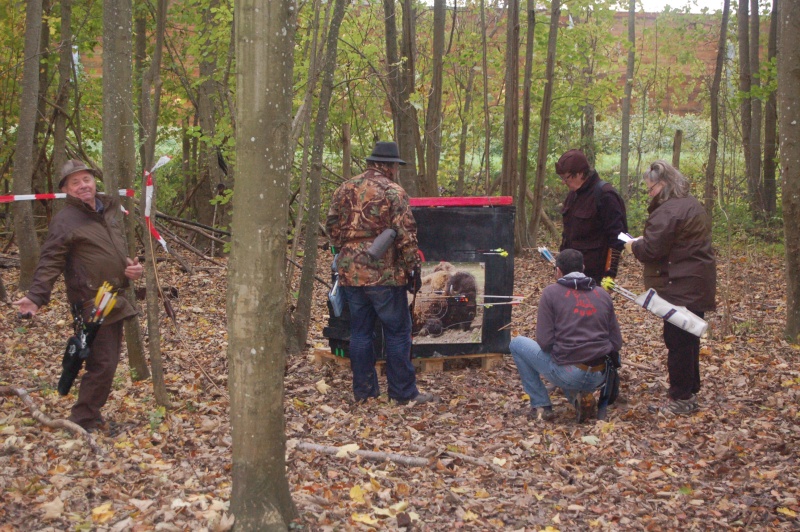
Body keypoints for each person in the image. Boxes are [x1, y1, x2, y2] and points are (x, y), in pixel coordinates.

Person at [13, 159, 143, 432]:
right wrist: (36, 297)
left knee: (104, 362)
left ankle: (89, 416)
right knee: (103, 363)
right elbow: (50, 260)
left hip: (115, 297)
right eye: (75, 182)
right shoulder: (66, 220)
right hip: (92, 301)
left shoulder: (107, 210)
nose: (83, 185)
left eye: (86, 179)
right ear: (67, 190)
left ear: (94, 181)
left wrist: (130, 269)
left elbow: (114, 252)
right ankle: (82, 421)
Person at [325, 141, 436, 405]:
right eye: (395, 166)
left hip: (351, 271)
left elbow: (331, 228)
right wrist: (412, 267)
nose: (396, 170)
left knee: (360, 332)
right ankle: (403, 393)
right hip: (384, 273)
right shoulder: (393, 191)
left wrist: (350, 249)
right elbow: (406, 234)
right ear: (388, 166)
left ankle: (364, 393)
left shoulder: (344, 188)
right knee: (397, 331)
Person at [627, 160, 716, 415]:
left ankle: (681, 396)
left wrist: (634, 246)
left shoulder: (669, 211)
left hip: (679, 283)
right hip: (695, 281)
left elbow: (653, 250)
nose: (650, 193)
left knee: (678, 340)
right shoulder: (691, 204)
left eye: (651, 189)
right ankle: (689, 389)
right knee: (689, 337)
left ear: (663, 185)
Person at [510, 249, 622, 423]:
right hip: (600, 375)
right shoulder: (602, 294)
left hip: (569, 372)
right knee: (566, 357)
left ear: (558, 271)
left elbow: (545, 342)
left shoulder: (551, 293)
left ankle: (541, 405)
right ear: (583, 268)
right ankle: (578, 399)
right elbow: (616, 342)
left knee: (517, 344)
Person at [556, 149, 628, 284]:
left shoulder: (605, 195)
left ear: (579, 174)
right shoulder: (573, 196)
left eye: (566, 178)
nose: (563, 182)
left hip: (594, 275)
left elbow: (618, 237)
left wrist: (610, 274)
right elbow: (568, 235)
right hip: (570, 274)